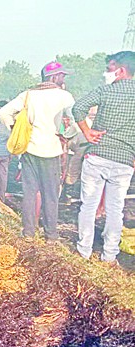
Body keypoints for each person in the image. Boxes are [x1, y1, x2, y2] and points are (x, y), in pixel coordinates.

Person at [0, 61, 75, 242]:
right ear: (54, 77)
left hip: (30, 150)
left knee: (30, 193)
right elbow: (76, 121)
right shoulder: (64, 96)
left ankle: (28, 233)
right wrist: (68, 135)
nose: (63, 79)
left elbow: (3, 113)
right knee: (50, 195)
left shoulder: (28, 95)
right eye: (62, 75)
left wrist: (15, 129)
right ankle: (50, 235)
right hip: (51, 151)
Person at [73, 51, 135, 265]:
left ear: (121, 70)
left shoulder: (105, 91)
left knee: (88, 206)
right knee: (115, 210)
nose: (106, 72)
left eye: (109, 68)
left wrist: (87, 132)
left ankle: (84, 251)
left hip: (97, 156)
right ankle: (109, 256)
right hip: (124, 161)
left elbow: (78, 107)